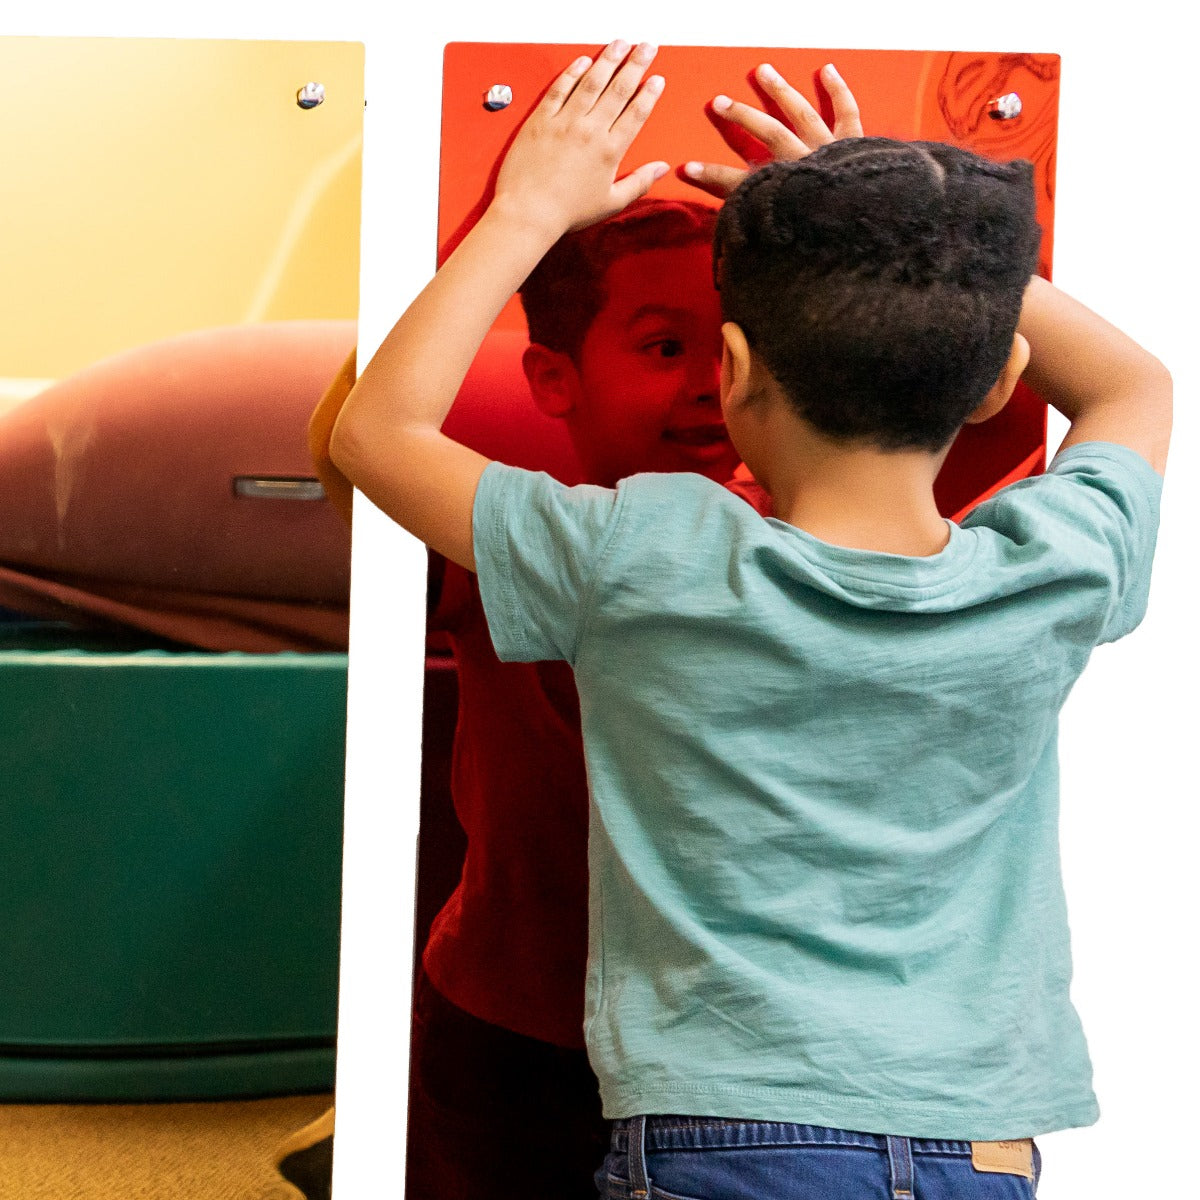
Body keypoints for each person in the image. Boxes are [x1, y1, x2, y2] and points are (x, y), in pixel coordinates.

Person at [329, 41, 1170, 1200]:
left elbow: (375, 435)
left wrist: (527, 209)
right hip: (977, 1137)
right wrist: (907, 239)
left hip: (723, 1130)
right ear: (996, 381)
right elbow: (1137, 387)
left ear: (731, 371)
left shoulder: (647, 553)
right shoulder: (1054, 570)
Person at [311, 193, 742, 1197]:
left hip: (708, 1042)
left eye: (733, 348)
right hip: (513, 1021)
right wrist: (494, 229)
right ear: (556, 376)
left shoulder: (799, 540)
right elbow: (352, 447)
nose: (712, 388)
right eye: (666, 347)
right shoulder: (517, 536)